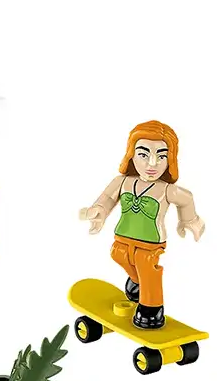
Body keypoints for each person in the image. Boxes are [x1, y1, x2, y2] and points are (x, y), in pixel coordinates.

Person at [79, 121, 205, 329]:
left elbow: (187, 199)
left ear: (170, 160)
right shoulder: (122, 182)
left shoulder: (166, 189)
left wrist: (188, 220)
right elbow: (108, 198)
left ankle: (151, 309)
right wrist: (99, 211)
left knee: (146, 266)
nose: (152, 164)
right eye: (143, 155)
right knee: (117, 255)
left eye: (161, 156)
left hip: (150, 242)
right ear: (131, 155)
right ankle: (138, 282)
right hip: (122, 236)